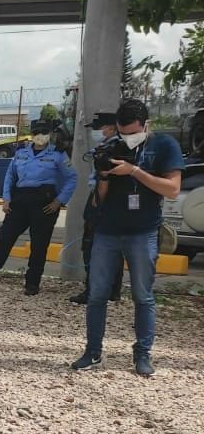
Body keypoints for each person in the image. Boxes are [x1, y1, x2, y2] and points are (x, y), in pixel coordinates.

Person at [71, 99, 183, 376]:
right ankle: (93, 352)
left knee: (142, 296)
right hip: (107, 231)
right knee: (97, 294)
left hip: (143, 231)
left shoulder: (164, 146)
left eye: (133, 132)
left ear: (146, 125)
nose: (128, 138)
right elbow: (99, 200)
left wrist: (134, 170)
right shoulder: (110, 146)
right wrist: (105, 175)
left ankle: (142, 355)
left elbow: (172, 189)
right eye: (122, 133)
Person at [0, 119, 78, 295]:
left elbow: (72, 178)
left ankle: (32, 283)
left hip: (44, 202)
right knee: (3, 241)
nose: (40, 135)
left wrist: (59, 201)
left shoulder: (58, 154)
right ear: (32, 134)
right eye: (37, 132)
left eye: (44, 131)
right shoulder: (21, 152)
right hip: (20, 200)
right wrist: (6, 198)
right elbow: (10, 176)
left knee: (39, 245)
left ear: (49, 134)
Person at [69, 112, 124, 304]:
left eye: (97, 128)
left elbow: (105, 177)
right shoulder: (113, 146)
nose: (94, 132)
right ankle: (113, 290)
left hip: (103, 198)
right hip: (113, 202)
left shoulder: (113, 148)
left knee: (91, 245)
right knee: (113, 247)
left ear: (110, 128)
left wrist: (96, 202)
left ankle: (93, 289)